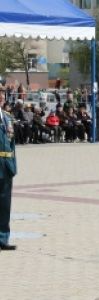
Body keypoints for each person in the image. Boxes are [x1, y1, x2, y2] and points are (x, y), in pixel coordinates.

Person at [0, 89, 17, 250]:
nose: (1, 97)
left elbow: (12, 145)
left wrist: (13, 166)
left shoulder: (7, 118)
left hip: (6, 166)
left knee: (5, 205)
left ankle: (3, 239)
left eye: (3, 95)